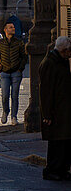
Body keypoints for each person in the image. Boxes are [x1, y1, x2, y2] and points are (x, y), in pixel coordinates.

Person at [39, 35, 71, 182]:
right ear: (64, 50)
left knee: (64, 142)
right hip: (56, 111)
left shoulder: (61, 61)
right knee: (56, 143)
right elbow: (46, 91)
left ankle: (62, 169)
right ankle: (52, 169)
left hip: (63, 109)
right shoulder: (50, 64)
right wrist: (47, 114)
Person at [0, 20, 27, 125]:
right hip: (4, 73)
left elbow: (24, 57)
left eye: (13, 27)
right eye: (11, 27)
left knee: (15, 95)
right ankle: (5, 111)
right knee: (5, 95)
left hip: (16, 72)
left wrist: (20, 68)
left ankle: (14, 116)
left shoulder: (19, 42)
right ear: (5, 30)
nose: (13, 29)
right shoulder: (0, 43)